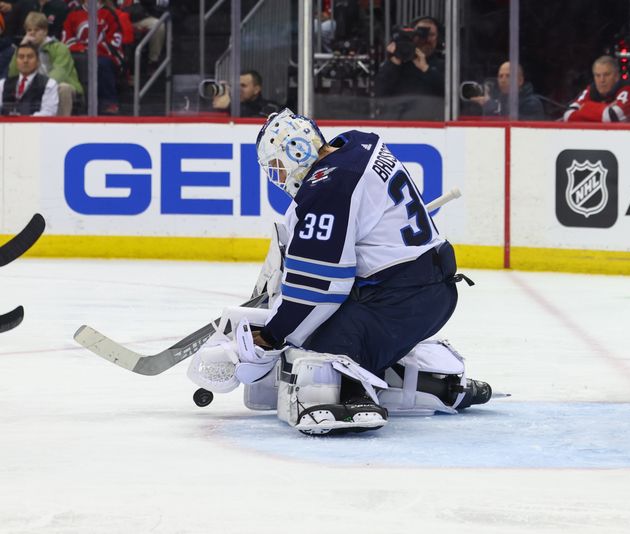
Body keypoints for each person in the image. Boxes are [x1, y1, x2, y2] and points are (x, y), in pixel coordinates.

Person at [187, 109, 492, 435]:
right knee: (328, 332)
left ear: (296, 150)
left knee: (306, 347)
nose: (279, 177)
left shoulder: (327, 187)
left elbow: (319, 289)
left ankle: (348, 398)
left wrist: (273, 336)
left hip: (399, 301)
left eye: (277, 166)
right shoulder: (359, 145)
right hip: (429, 291)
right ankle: (438, 384)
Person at [7, 11, 81, 115]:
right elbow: (12, 74)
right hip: (36, 87)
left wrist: (40, 86)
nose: (32, 33)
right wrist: (21, 48)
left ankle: (61, 125)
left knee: (63, 88)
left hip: (61, 86)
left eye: (36, 30)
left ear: (45, 31)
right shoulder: (25, 50)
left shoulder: (59, 48)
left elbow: (60, 73)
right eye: (29, 30)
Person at [374, 16, 444, 119]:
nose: (425, 39)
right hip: (395, 126)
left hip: (430, 127)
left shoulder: (443, 65)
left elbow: (448, 95)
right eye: (420, 34)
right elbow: (379, 92)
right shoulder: (397, 63)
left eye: (431, 35)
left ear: (438, 38)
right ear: (412, 36)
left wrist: (426, 69)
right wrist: (395, 60)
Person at [62, 0, 122, 114]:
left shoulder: (108, 13)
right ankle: (76, 102)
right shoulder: (73, 13)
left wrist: (94, 49)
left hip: (103, 54)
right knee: (70, 62)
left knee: (101, 64)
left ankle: (109, 102)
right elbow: (66, 39)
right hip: (78, 53)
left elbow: (115, 40)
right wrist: (81, 49)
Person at [563, 55, 630, 122]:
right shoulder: (591, 90)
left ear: (616, 76)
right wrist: (606, 108)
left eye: (606, 75)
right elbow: (568, 115)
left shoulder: (629, 91)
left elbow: (612, 116)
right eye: (597, 75)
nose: (602, 80)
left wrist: (585, 106)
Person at [469, 61, 545, 120]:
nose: (503, 80)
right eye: (500, 76)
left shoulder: (532, 103)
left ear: (520, 80)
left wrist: (491, 106)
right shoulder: (497, 100)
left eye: (508, 76)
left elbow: (516, 128)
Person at [0, 41, 58, 115]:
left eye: (30, 57)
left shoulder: (49, 84)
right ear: (16, 61)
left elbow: (49, 113)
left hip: (36, 125)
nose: (25, 60)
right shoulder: (2, 84)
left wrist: (24, 121)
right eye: (21, 57)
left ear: (38, 61)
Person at [211, 70, 282, 118]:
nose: (238, 89)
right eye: (237, 85)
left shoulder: (272, 107)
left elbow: (256, 117)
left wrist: (229, 105)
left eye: (243, 85)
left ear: (256, 89)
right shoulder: (232, 106)